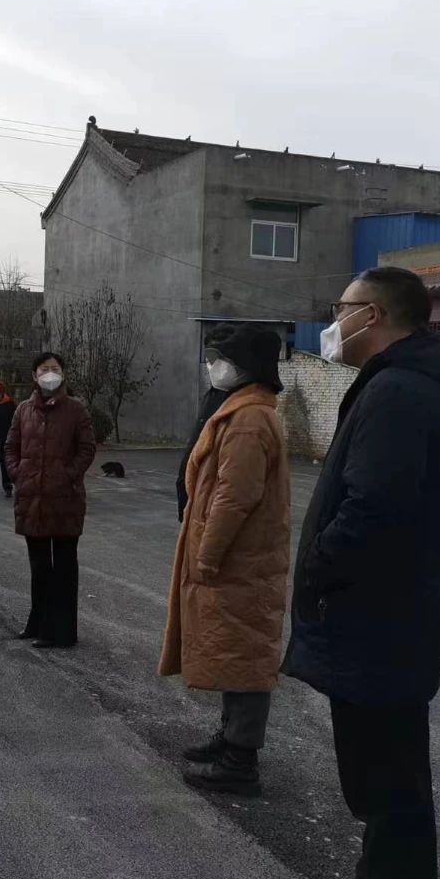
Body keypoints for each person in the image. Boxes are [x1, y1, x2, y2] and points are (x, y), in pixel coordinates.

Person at [282, 267, 440, 879]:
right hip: (388, 618)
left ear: (374, 315)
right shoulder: (403, 385)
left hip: (376, 619)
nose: (334, 320)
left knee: (387, 784)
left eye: (342, 308)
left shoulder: (399, 393)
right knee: (389, 780)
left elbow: (373, 507)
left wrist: (319, 566)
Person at [157, 325, 290, 797]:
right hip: (241, 560)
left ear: (247, 366)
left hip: (240, 561)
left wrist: (207, 556)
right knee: (236, 650)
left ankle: (240, 760)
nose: (213, 366)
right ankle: (231, 737)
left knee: (246, 655)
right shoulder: (241, 410)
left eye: (222, 359)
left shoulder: (249, 420)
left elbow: (234, 498)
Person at [4, 352, 97, 648]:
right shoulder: (23, 410)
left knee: (65, 568)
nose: (50, 373)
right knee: (39, 567)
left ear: (63, 374)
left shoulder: (76, 409)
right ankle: (38, 624)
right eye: (44, 369)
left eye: (55, 368)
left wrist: (68, 475)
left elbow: (87, 448)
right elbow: (11, 446)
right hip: (32, 500)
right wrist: (18, 474)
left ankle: (63, 632)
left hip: (66, 500)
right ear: (34, 375)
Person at [175, 323, 235, 522]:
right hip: (194, 507)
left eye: (218, 358)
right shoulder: (211, 396)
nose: (212, 364)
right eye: (209, 358)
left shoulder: (239, 404)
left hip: (211, 513)